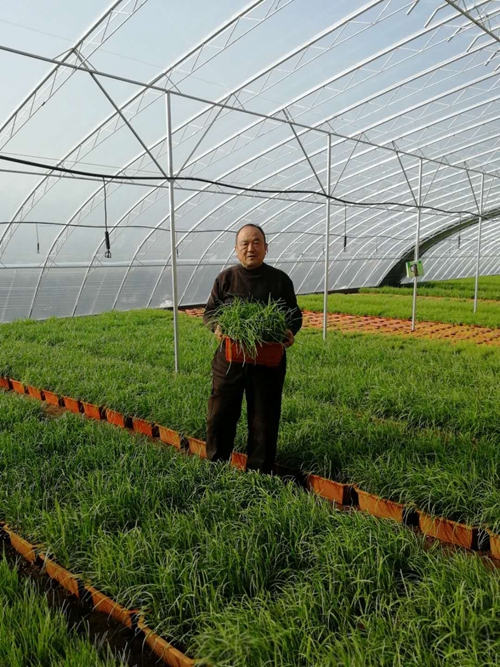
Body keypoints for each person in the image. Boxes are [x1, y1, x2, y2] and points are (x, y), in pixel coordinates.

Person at [203, 223, 302, 473]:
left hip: (267, 361)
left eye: (256, 242)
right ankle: (216, 464)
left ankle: (260, 471)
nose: (251, 248)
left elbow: (294, 316)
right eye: (245, 243)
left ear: (266, 248)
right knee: (220, 413)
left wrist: (290, 331)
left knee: (264, 417)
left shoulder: (279, 280)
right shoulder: (226, 279)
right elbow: (210, 313)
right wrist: (217, 327)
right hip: (229, 360)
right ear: (236, 249)